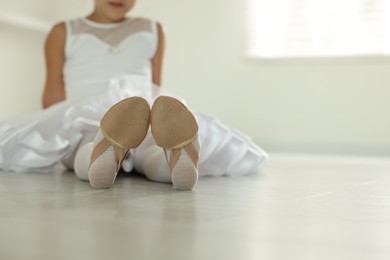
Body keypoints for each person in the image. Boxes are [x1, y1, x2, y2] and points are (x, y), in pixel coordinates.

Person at [0, 0, 268, 190]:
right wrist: (57, 122)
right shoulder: (64, 31)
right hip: (85, 112)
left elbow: (155, 88)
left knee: (128, 140)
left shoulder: (153, 30)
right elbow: (53, 92)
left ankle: (133, 157)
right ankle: (168, 160)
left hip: (140, 113)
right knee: (112, 142)